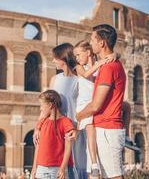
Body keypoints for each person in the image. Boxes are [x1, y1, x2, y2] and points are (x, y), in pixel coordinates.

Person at [76, 24, 126, 179]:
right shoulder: (112, 64)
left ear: (102, 43)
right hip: (107, 128)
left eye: (92, 40)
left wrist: (78, 116)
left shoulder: (108, 68)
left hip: (107, 129)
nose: (90, 44)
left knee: (114, 176)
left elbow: (96, 105)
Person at [33, 43, 81, 178]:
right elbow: (46, 105)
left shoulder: (78, 80)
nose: (53, 60)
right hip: (55, 131)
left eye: (55, 58)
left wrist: (77, 129)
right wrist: (38, 127)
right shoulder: (54, 79)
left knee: (73, 167)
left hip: (72, 131)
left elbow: (82, 107)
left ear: (63, 58)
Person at [31, 90, 75, 179]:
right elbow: (38, 146)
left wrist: (62, 168)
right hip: (41, 169)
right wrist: (34, 167)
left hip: (57, 169)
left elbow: (68, 147)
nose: (40, 108)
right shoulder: (42, 122)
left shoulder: (65, 122)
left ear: (50, 105)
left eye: (42, 105)